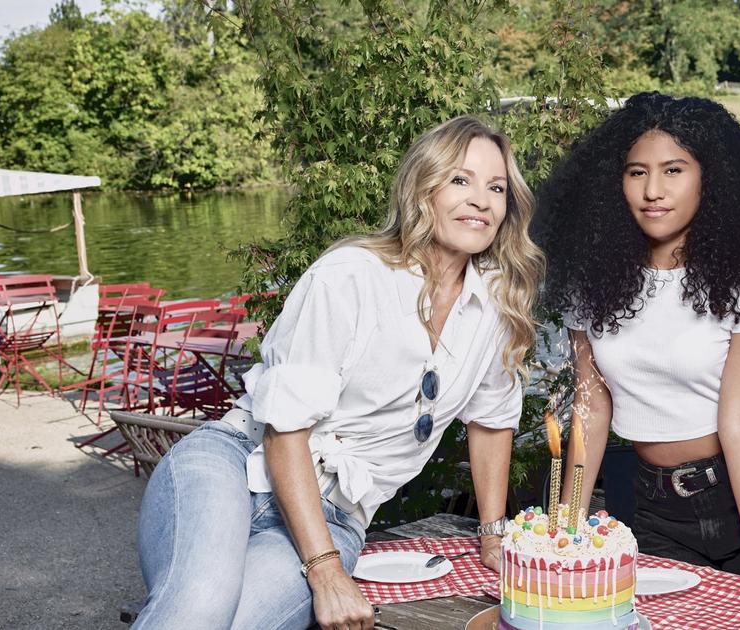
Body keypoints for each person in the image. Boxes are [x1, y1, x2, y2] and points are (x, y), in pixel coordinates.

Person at [133, 115, 544, 630]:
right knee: (200, 607)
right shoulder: (351, 275)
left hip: (338, 517)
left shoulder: (498, 305)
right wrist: (326, 573)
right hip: (233, 465)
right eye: (460, 179)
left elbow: (490, 421)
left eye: (497, 187)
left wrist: (493, 534)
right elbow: (285, 429)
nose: (481, 199)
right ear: (423, 188)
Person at [537, 92, 740, 591]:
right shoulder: (593, 281)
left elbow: (739, 417)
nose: (653, 190)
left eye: (673, 170)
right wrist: (568, 530)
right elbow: (590, 405)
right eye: (636, 172)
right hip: (652, 502)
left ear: (708, 178)